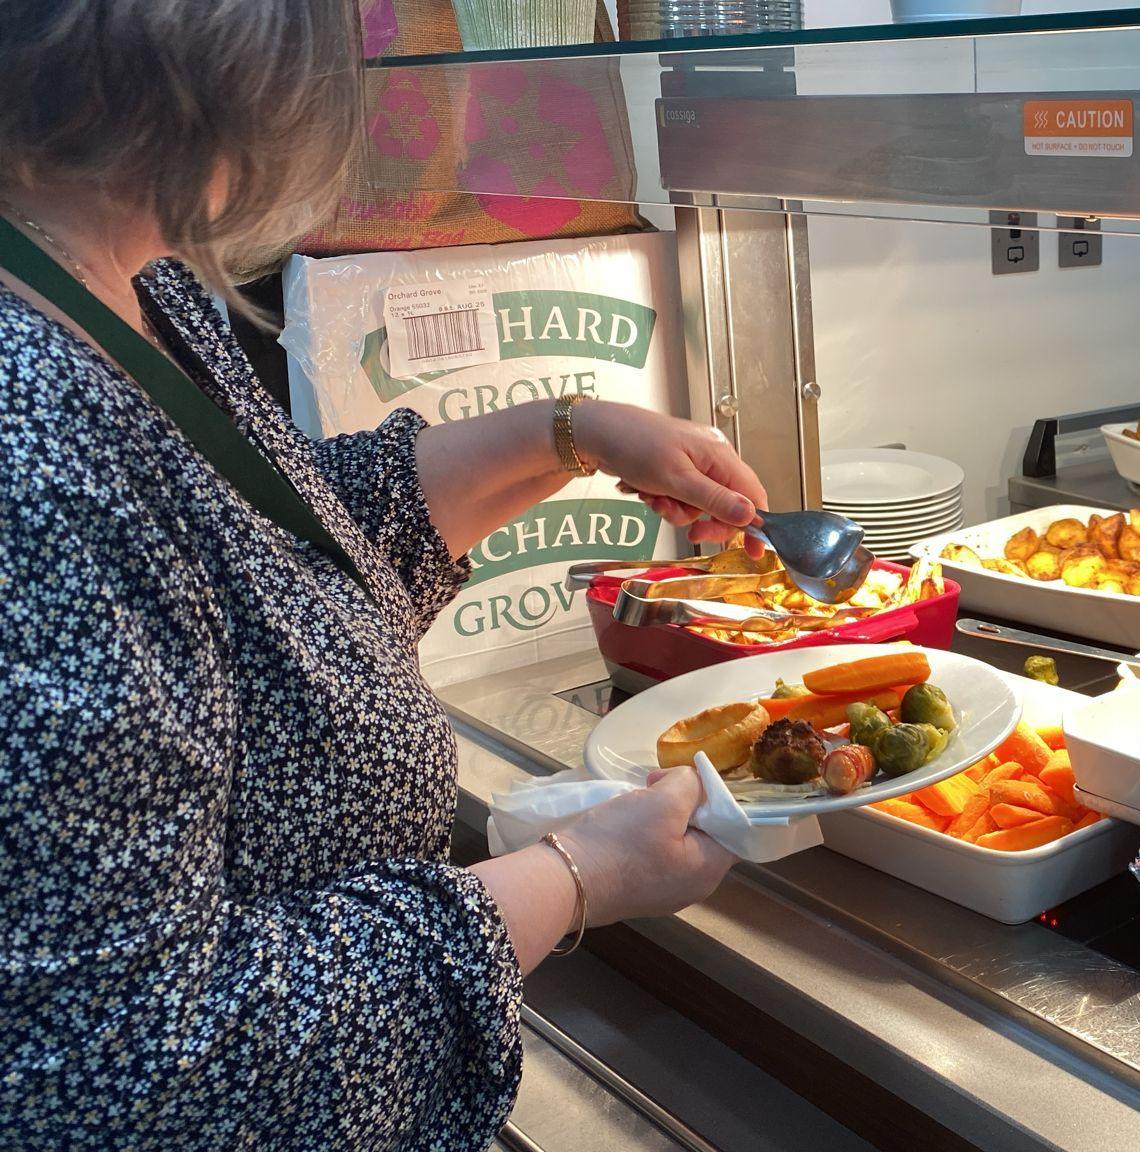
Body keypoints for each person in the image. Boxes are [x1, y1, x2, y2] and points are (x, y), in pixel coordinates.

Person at [0, 4, 755, 1149]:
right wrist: (574, 875)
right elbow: (114, 1065)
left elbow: (275, 554)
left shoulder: (113, 269)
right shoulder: (27, 442)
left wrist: (572, 431)